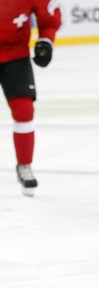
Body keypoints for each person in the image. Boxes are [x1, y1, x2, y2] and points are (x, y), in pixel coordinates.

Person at [0, 0, 61, 197]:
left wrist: (46, 40)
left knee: (24, 109)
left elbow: (49, 19)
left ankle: (24, 165)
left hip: (15, 55)